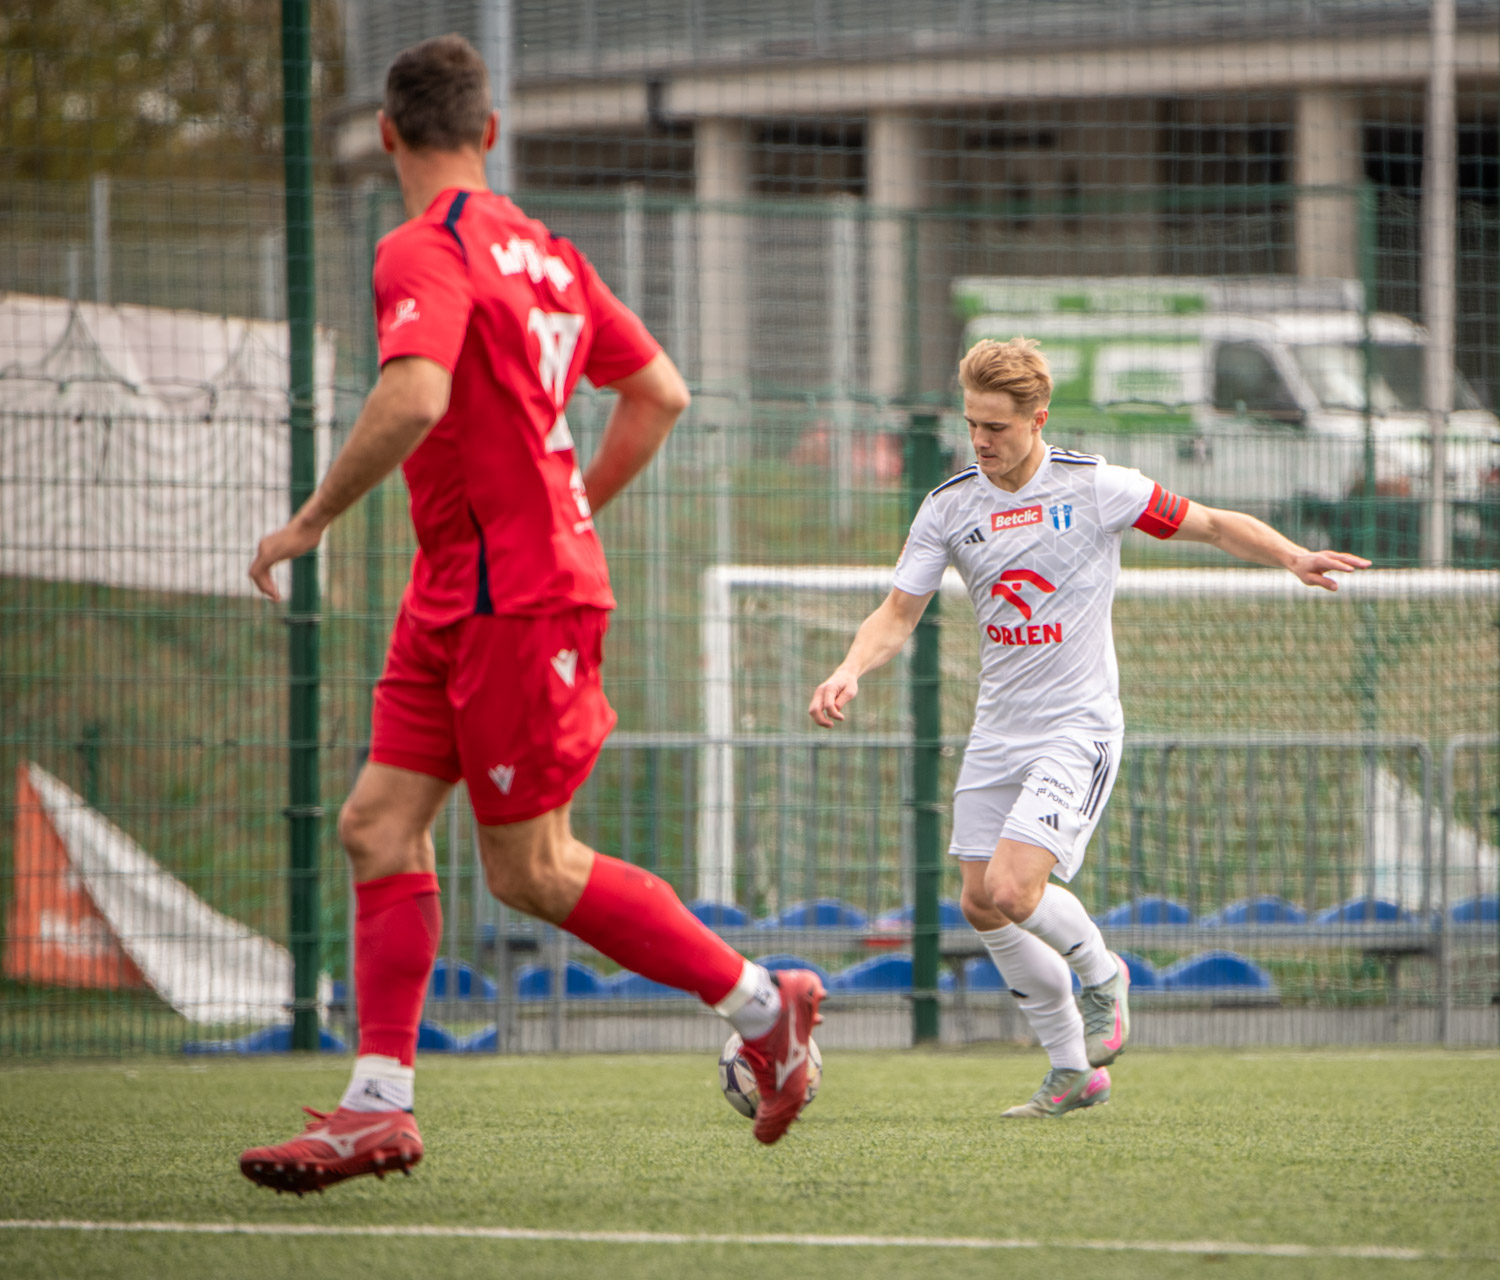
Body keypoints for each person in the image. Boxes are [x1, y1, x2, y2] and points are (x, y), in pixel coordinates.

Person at [239, 35, 821, 1194]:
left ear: (389, 135)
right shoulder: (547, 254)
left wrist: (309, 520)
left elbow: (415, 391)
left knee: (532, 870)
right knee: (376, 824)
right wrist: (574, 504)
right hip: (459, 583)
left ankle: (769, 1010)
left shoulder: (424, 242)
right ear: (489, 132)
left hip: (517, 594)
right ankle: (378, 1105)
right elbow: (660, 393)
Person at [809, 338, 1367, 1117]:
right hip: (998, 730)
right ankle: (1073, 1068)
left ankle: (1103, 974)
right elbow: (898, 612)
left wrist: (1290, 555)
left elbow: (1208, 523)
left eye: (997, 427)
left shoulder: (1097, 487)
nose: (980, 440)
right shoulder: (949, 505)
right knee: (978, 903)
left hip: (1078, 727)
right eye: (972, 423)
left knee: (1014, 886)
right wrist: (849, 670)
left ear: (1037, 419)